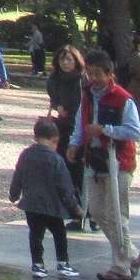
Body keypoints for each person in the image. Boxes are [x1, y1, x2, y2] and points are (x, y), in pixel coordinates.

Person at [69, 47, 140, 280]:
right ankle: (131, 254)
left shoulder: (123, 98)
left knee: (117, 213)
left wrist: (106, 131)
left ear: (109, 73)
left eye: (97, 74)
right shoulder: (87, 94)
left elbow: (135, 130)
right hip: (94, 159)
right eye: (89, 73)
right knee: (98, 211)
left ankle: (121, 265)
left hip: (118, 161)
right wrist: (75, 143)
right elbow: (81, 122)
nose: (93, 79)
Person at [12, 117, 83, 280]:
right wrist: (75, 208)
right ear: (55, 140)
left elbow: (18, 175)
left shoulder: (26, 154)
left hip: (31, 204)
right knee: (59, 234)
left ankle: (38, 265)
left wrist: (14, 194)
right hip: (53, 206)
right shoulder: (56, 159)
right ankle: (63, 263)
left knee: (35, 235)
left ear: (35, 137)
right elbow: (65, 187)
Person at [49, 45, 91, 230]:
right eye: (62, 59)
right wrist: (57, 106)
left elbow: (84, 103)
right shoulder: (54, 79)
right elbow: (54, 98)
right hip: (63, 128)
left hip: (79, 127)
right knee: (67, 172)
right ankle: (76, 212)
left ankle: (90, 211)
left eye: (69, 59)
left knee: (81, 172)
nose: (66, 63)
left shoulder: (82, 79)